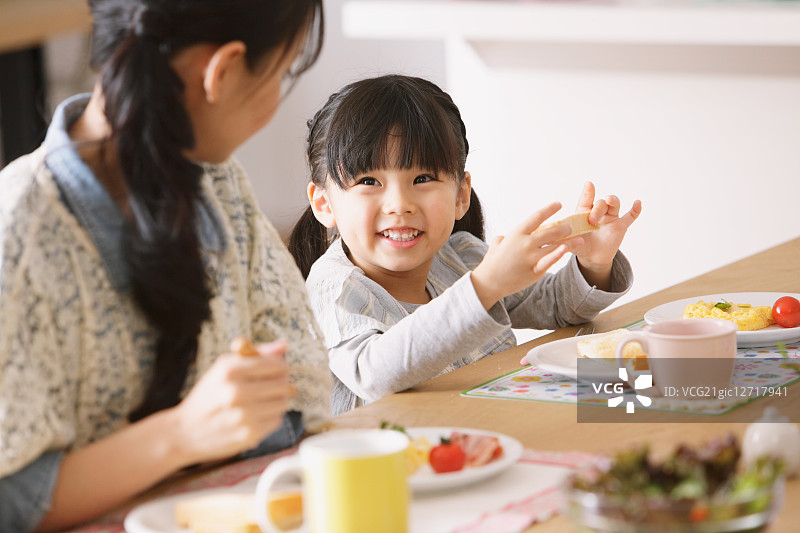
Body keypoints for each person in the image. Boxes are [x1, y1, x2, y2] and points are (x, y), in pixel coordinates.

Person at [0, 1, 332, 530]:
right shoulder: (20, 231)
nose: (278, 94)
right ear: (222, 70)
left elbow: (305, 381)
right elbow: (11, 498)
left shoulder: (219, 183)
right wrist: (181, 436)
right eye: (282, 72)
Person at [288, 75, 642, 416]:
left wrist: (594, 263)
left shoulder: (462, 257)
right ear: (324, 204)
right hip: (400, 452)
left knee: (655, 390)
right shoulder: (333, 290)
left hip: (496, 429)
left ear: (460, 195)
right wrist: (484, 287)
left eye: (422, 178)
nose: (399, 204)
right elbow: (375, 374)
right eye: (368, 181)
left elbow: (558, 307)